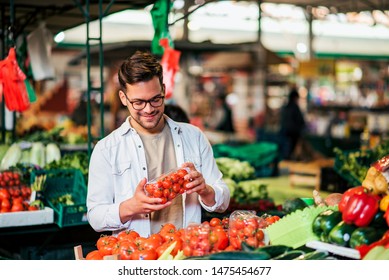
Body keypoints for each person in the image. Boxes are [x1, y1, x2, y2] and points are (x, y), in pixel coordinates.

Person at [86, 50, 230, 238]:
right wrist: (131, 207)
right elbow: (95, 217)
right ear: (123, 98)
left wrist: (205, 190)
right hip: (138, 255)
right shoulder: (107, 149)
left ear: (163, 90)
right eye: (138, 102)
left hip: (186, 250)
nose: (148, 109)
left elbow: (223, 199)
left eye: (155, 99)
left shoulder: (193, 136)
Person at [279, 87, 306, 160]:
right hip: (293, 133)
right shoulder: (295, 107)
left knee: (286, 152)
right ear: (295, 98)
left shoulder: (285, 107)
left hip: (284, 133)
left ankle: (286, 163)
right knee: (291, 152)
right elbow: (301, 121)